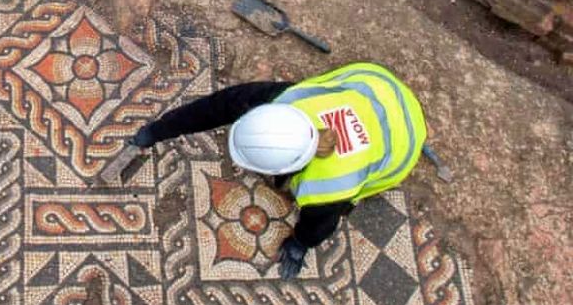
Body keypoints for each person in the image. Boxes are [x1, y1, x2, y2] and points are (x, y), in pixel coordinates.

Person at [130, 62, 426, 279]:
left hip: (405, 145)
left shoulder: (326, 188)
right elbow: (216, 107)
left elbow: (321, 226)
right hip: (377, 84)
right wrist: (156, 131)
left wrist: (299, 244)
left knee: (350, 199)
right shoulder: (286, 99)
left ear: (290, 170)